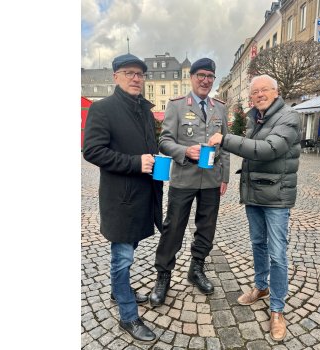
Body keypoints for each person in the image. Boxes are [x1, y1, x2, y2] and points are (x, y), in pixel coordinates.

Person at [207, 74, 301, 342]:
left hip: (276, 197)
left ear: (276, 91)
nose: (258, 95)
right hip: (255, 193)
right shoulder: (254, 118)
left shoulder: (288, 117)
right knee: (258, 244)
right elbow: (252, 150)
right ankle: (261, 287)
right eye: (254, 92)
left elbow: (268, 149)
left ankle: (277, 309)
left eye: (264, 90)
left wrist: (225, 139)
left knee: (277, 253)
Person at [82, 53, 162, 342]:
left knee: (130, 249)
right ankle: (128, 317)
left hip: (144, 196)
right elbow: (92, 150)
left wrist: (155, 160)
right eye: (129, 72)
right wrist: (134, 162)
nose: (136, 78)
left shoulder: (146, 110)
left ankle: (119, 291)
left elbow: (146, 147)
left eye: (140, 74)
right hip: (120, 200)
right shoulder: (103, 109)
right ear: (115, 77)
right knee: (122, 258)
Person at [149, 58, 230, 306]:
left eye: (210, 76)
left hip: (211, 180)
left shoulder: (220, 107)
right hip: (183, 178)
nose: (205, 80)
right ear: (192, 77)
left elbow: (224, 145)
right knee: (173, 228)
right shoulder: (176, 106)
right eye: (201, 75)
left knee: (207, 228)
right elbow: (164, 141)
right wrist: (186, 152)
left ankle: (196, 269)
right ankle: (163, 276)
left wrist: (224, 176)